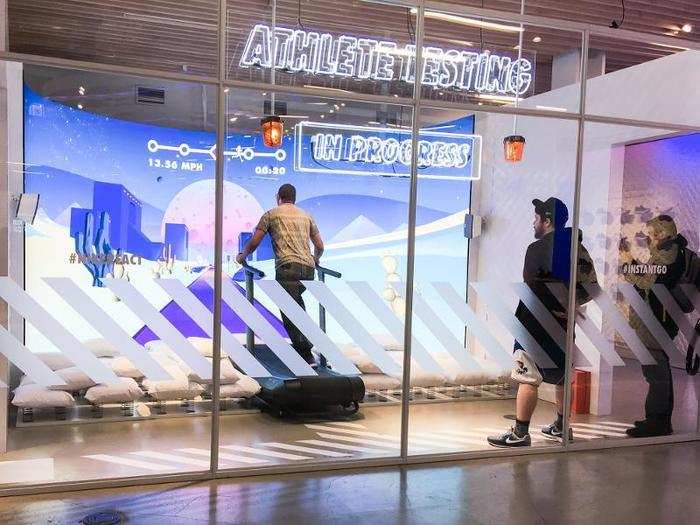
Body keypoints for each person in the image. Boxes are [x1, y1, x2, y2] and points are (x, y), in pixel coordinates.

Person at [488, 197, 598, 447]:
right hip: (563, 325)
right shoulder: (577, 249)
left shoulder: (537, 249)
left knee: (527, 378)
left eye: (536, 218)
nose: (533, 223)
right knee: (561, 378)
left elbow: (533, 289)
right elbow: (591, 289)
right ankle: (561, 427)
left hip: (533, 325)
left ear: (547, 221)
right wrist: (568, 307)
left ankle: (520, 434)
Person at [236, 183, 324, 366]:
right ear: (294, 198)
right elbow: (320, 246)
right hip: (308, 269)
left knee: (289, 309)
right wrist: (315, 259)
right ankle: (310, 344)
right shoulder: (306, 216)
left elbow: (255, 241)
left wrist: (243, 255)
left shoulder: (271, 214)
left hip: (287, 267)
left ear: (278, 197)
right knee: (297, 306)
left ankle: (305, 352)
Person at [619, 215, 687, 437]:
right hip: (656, 320)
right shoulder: (666, 254)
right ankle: (658, 420)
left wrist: (628, 261)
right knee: (658, 371)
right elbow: (647, 278)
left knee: (656, 373)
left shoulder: (668, 255)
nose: (649, 239)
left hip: (656, 322)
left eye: (651, 234)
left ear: (662, 234)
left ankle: (657, 422)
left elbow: (646, 281)